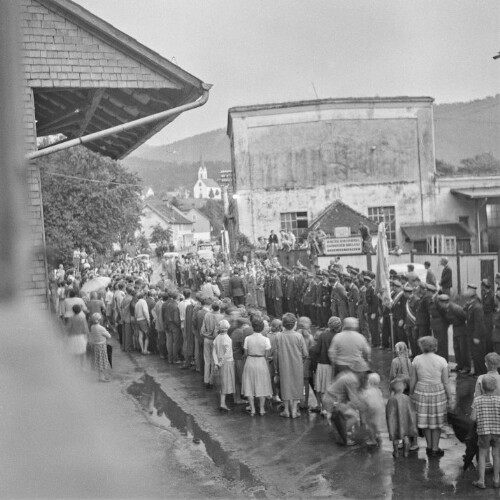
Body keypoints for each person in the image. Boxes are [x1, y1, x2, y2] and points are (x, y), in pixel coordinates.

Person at [410, 336, 452, 457]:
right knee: (437, 422)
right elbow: (445, 382)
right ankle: (435, 448)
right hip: (437, 392)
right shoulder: (441, 360)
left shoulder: (417, 359)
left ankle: (428, 446)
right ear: (435, 347)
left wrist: (411, 393)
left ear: (422, 347)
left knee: (425, 421)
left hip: (421, 391)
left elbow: (413, 378)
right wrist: (449, 397)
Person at [274, 313, 308, 418]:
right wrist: (300, 360)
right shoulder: (299, 336)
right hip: (297, 365)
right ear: (294, 324)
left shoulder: (278, 336)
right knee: (296, 386)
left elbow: (275, 353)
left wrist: (276, 368)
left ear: (283, 324)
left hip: (283, 365)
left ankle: (286, 410)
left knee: (285, 386)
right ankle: (294, 410)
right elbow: (305, 353)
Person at [471, 375, 500, 489]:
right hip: (498, 432)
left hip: (483, 432)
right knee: (497, 455)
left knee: (482, 455)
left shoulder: (477, 400)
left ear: (482, 388)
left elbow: (473, 418)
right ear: (495, 387)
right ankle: (496, 480)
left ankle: (481, 480)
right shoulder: (499, 400)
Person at [241, 315, 273, 416]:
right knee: (262, 385)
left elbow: (245, 353)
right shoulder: (266, 340)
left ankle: (253, 409)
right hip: (261, 361)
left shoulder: (247, 338)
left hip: (250, 361)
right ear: (262, 328)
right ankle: (262, 409)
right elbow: (267, 354)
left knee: (249, 385)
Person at [313, 317, 342, 415]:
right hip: (334, 365)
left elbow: (317, 350)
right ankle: (333, 408)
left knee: (321, 388)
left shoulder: (323, 335)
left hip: (322, 364)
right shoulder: (339, 336)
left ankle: (323, 408)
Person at [386, 378, 418, 458]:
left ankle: (396, 452)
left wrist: (390, 422)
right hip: (406, 422)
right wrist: (413, 422)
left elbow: (389, 413)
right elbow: (412, 411)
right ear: (403, 388)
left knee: (395, 438)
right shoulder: (407, 398)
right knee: (406, 437)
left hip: (395, 422)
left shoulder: (391, 399)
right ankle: (406, 453)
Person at [212, 319, 235, 412]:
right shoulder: (228, 339)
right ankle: (222, 403)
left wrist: (216, 362)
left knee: (221, 382)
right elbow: (228, 354)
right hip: (226, 363)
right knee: (225, 383)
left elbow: (213, 351)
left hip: (218, 362)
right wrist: (220, 363)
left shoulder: (217, 338)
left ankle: (222, 402)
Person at [200, 301, 224, 388]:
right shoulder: (221, 317)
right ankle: (211, 380)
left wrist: (205, 335)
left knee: (207, 360)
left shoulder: (207, 315)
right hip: (215, 340)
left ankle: (206, 380)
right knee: (214, 360)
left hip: (206, 339)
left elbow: (202, 329)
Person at [465, 284, 487, 376]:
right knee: (474, 354)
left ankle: (480, 373)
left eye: (468, 290)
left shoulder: (477, 306)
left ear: (473, 293)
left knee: (478, 354)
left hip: (476, 335)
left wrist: (476, 336)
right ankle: (477, 372)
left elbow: (479, 322)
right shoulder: (472, 303)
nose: (466, 292)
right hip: (471, 333)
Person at [360, 372, 385, 447]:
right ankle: (378, 436)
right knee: (377, 423)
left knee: (370, 424)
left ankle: (372, 440)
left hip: (371, 408)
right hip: (379, 408)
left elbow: (363, 399)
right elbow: (381, 399)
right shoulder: (378, 390)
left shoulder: (367, 391)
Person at [88, 313, 112, 382]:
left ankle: (102, 376)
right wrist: (106, 331)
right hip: (101, 346)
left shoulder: (92, 327)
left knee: (98, 361)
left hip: (95, 345)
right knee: (102, 361)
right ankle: (101, 378)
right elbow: (109, 336)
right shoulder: (101, 328)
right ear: (99, 320)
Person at [65, 304, 89, 369]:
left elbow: (68, 328)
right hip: (81, 337)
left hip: (72, 337)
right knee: (83, 353)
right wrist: (87, 336)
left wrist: (66, 335)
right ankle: (83, 367)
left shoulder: (71, 318)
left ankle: (74, 367)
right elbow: (85, 328)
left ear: (73, 310)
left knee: (74, 353)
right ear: (80, 310)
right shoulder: (82, 318)